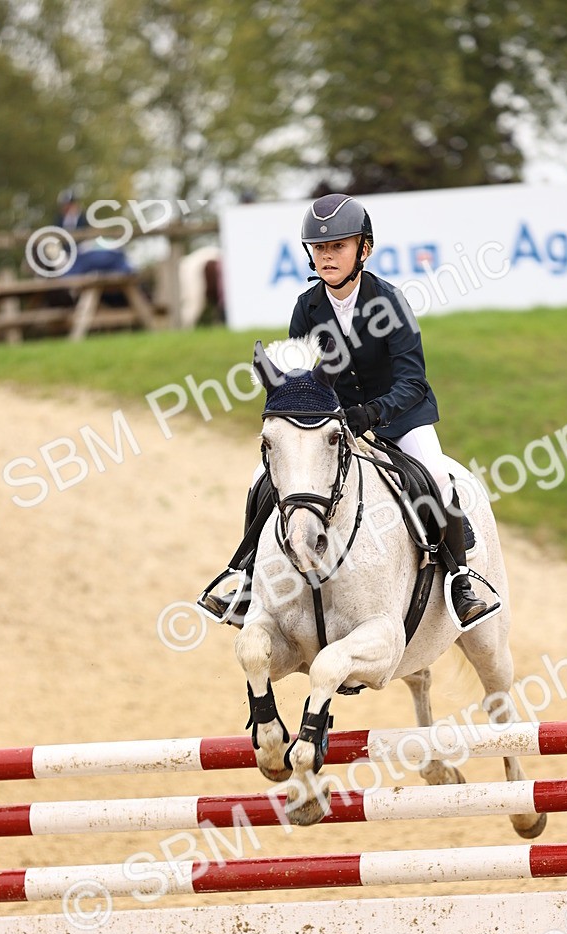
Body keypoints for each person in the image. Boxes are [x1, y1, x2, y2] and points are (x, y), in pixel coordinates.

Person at [197, 192, 488, 628]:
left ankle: (460, 580)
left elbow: (413, 381)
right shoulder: (307, 307)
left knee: (436, 474)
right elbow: (298, 381)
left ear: (363, 249)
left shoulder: (389, 302)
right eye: (319, 248)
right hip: (334, 423)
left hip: (399, 417)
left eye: (338, 246)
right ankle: (248, 579)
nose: (327, 256)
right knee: (263, 479)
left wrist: (372, 413)